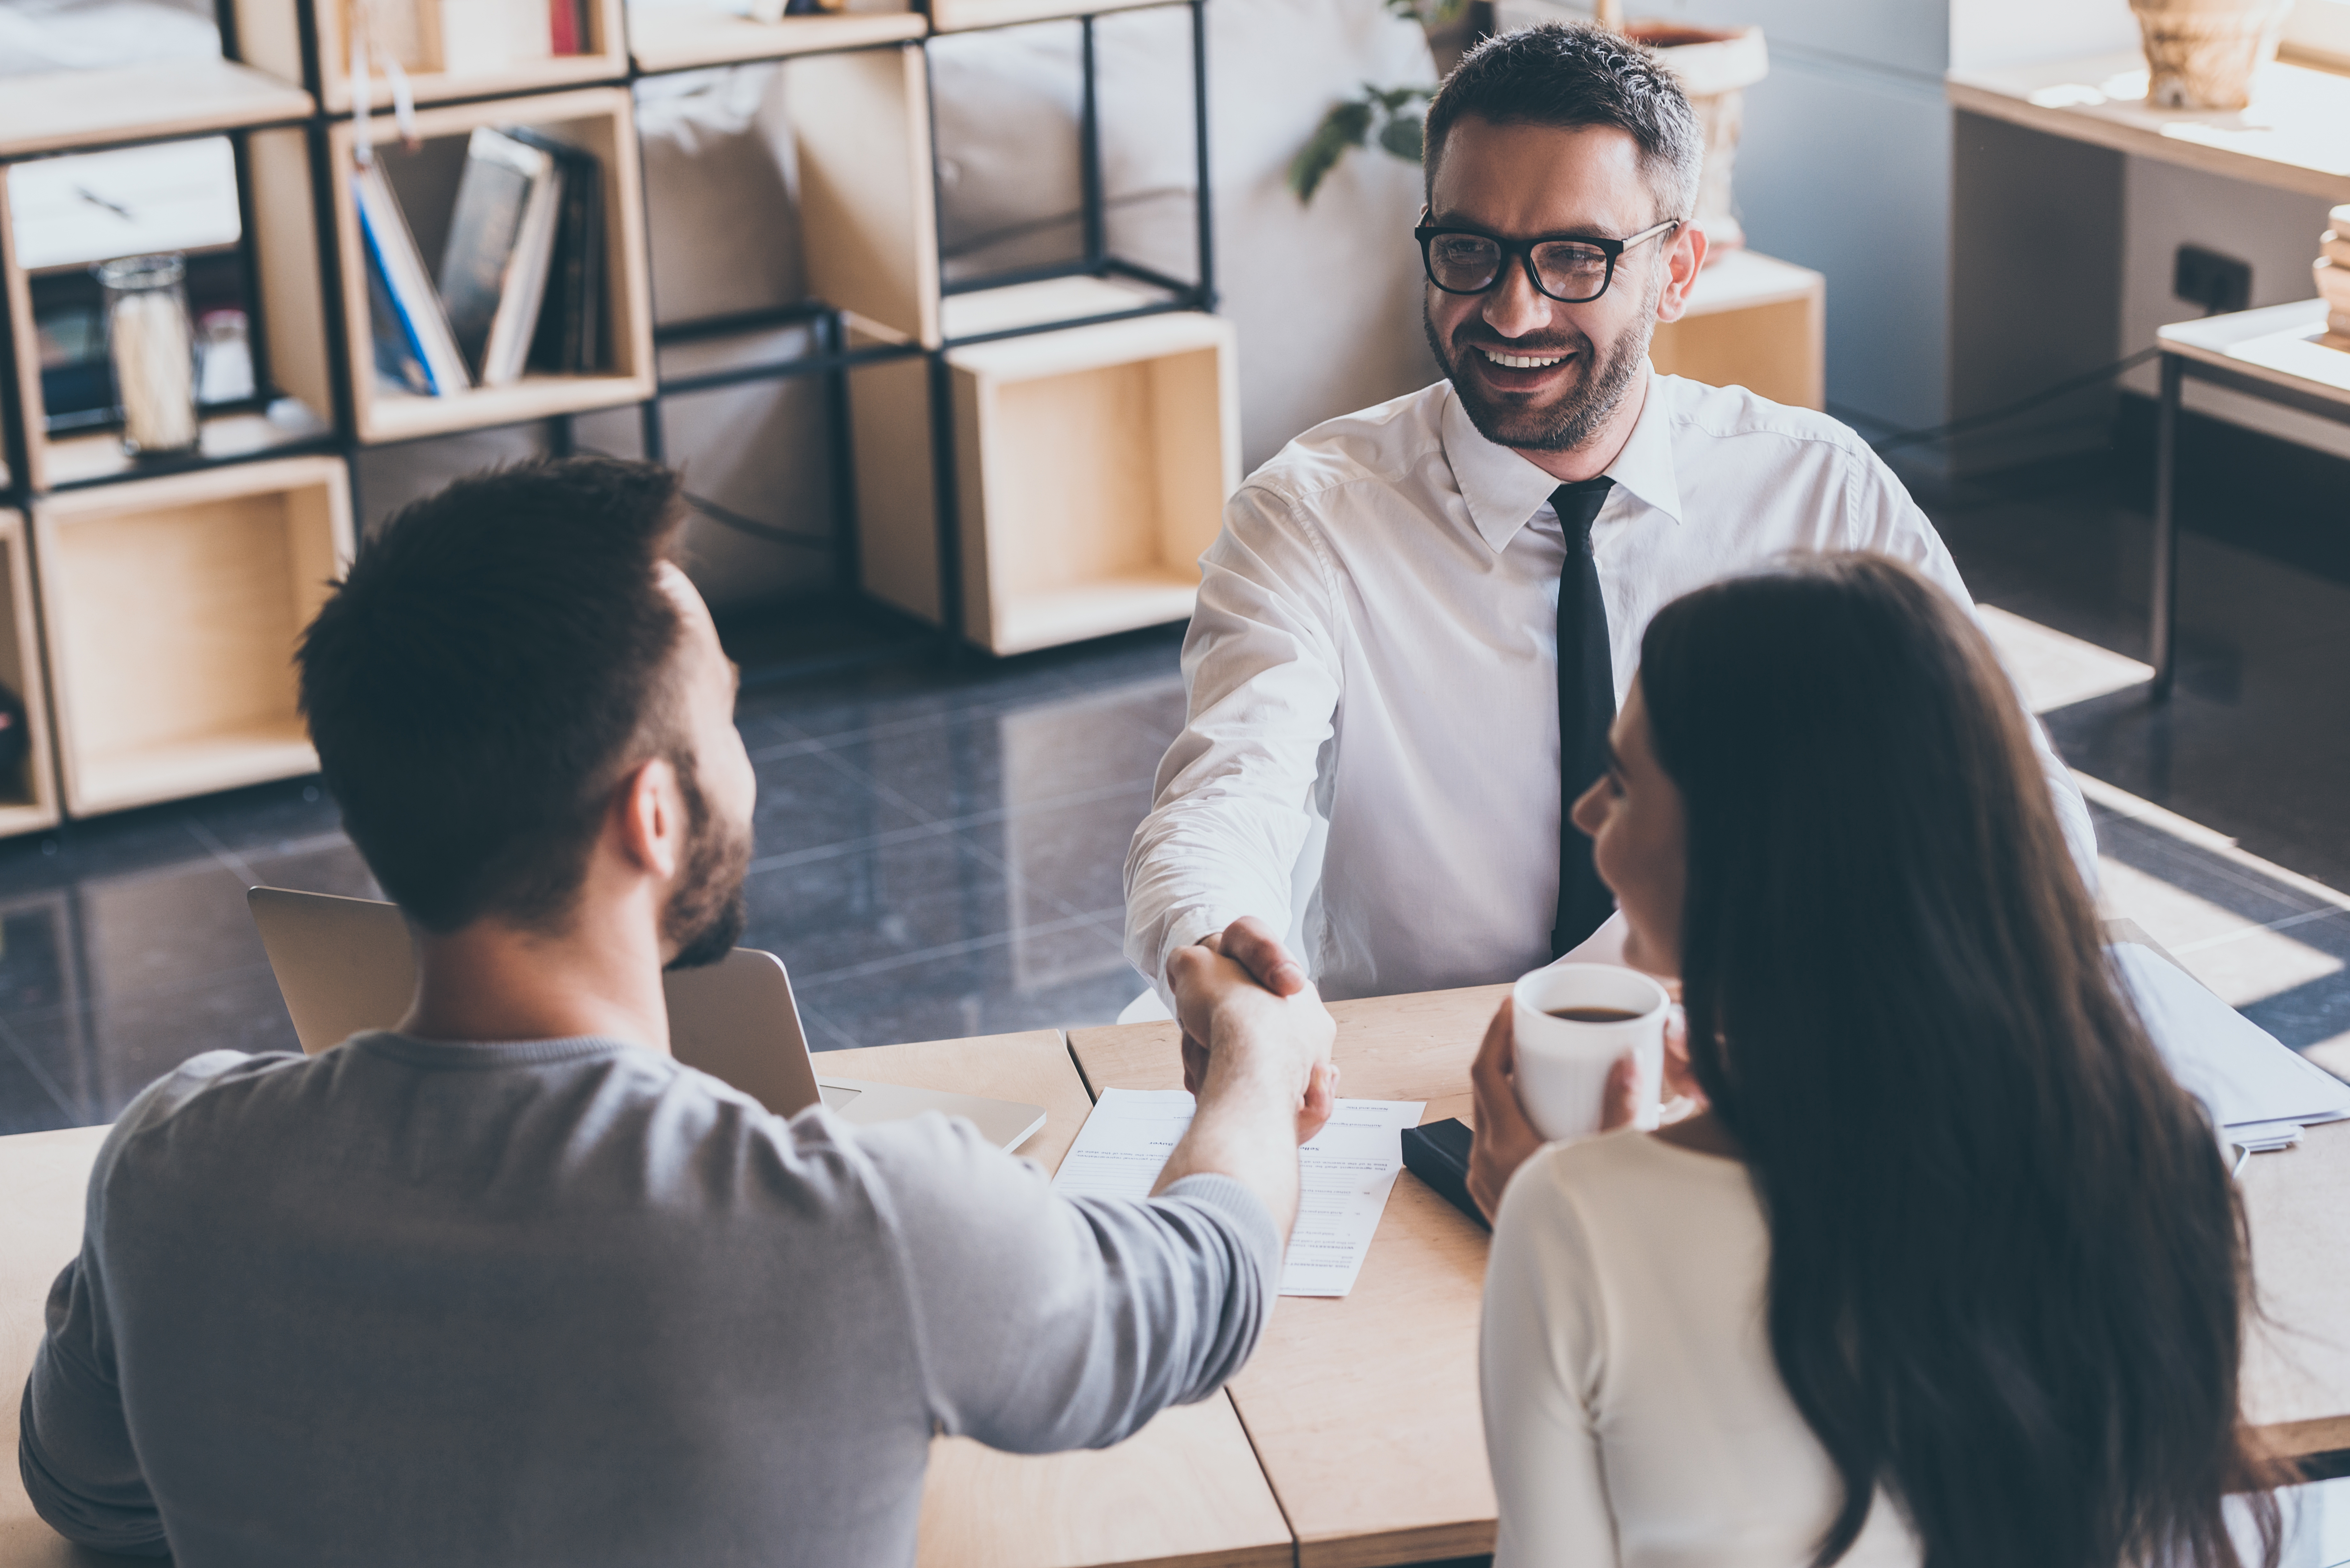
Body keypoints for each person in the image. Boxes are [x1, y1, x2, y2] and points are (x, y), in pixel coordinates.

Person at [17, 456, 1337, 1568]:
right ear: (653, 814)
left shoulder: (170, 1165)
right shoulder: (868, 1227)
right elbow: (1202, 1289)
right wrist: (1255, 1061)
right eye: (727, 722)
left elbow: (78, 1484)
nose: (747, 767)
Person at [1123, 22, 2093, 1010]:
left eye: (1575, 258)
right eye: (1469, 249)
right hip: (1420, 1066)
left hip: (1740, 1056)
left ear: (1676, 272)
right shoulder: (1310, 516)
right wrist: (1214, 949)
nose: (1511, 312)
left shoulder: (1820, 492)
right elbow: (1224, 795)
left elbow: (2017, 803)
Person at [1466, 554, 2278, 1568]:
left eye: (1625, 784)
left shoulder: (1573, 1221)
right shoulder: (2163, 1162)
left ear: (1751, 853)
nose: (1589, 811)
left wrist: (1551, 1211)